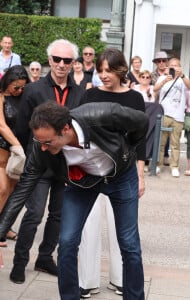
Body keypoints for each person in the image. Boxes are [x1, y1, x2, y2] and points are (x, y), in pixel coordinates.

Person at [0, 100, 148, 300]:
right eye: (40, 142)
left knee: (129, 244)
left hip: (121, 177)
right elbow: (23, 189)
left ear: (66, 129)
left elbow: (142, 121)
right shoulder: (40, 146)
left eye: (48, 142)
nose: (42, 147)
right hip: (82, 184)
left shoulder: (101, 114)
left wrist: (126, 148)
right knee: (67, 241)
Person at [8, 39, 85, 284]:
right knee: (34, 214)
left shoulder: (80, 93)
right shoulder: (34, 90)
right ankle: (19, 262)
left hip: (66, 164)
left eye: (67, 60)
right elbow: (21, 129)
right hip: (39, 164)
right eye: (57, 59)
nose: (61, 64)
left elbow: (79, 129)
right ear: (49, 60)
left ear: (74, 63)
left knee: (58, 215)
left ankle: (44, 258)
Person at [79, 48, 146, 298]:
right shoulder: (90, 95)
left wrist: (141, 175)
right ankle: (86, 281)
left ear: (120, 70)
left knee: (126, 235)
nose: (103, 75)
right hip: (90, 170)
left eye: (108, 70)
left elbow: (140, 143)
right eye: (100, 70)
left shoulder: (136, 99)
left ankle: (121, 281)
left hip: (124, 172)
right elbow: (76, 132)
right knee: (88, 227)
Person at [0, 65, 30, 248]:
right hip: (4, 149)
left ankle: (4, 226)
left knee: (12, 192)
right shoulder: (1, 97)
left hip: (18, 155)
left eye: (23, 87)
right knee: (2, 189)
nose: (19, 90)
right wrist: (17, 145)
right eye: (16, 87)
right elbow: (1, 125)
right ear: (8, 82)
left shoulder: (25, 97)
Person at [154, 57, 190, 177]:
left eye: (177, 65)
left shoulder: (183, 79)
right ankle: (158, 165)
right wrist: (165, 80)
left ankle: (174, 166)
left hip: (178, 116)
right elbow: (155, 89)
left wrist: (183, 75)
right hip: (164, 114)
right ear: (168, 66)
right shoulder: (163, 77)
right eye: (172, 65)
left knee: (175, 143)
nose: (174, 67)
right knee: (161, 142)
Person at [151, 51, 170, 166]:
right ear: (156, 63)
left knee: (166, 132)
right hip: (155, 105)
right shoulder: (152, 75)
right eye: (159, 61)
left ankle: (166, 155)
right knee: (154, 131)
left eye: (164, 60)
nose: (162, 63)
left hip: (167, 107)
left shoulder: (171, 73)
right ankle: (154, 155)